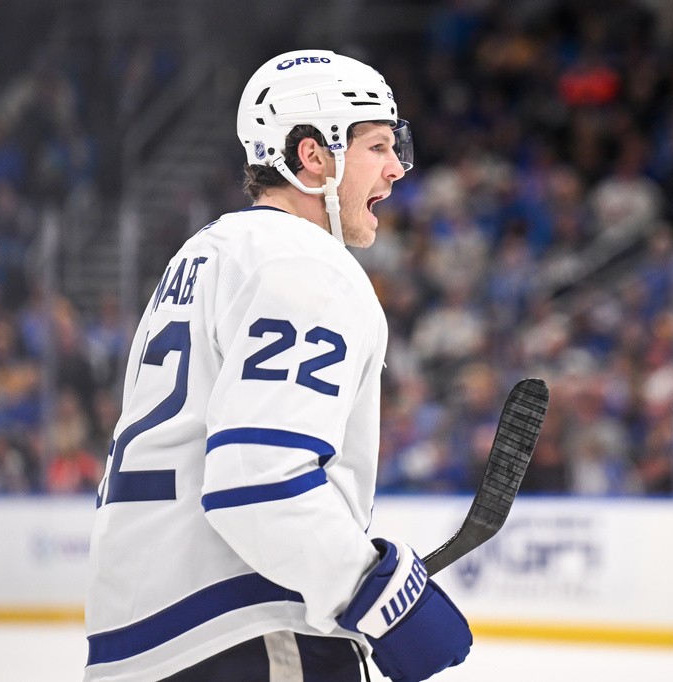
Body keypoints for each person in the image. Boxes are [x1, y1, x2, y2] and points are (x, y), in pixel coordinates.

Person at [83, 49, 472, 682]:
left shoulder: (206, 254)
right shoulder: (303, 263)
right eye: (377, 146)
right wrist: (376, 594)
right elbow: (257, 482)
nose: (397, 168)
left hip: (145, 640)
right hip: (244, 634)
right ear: (313, 155)